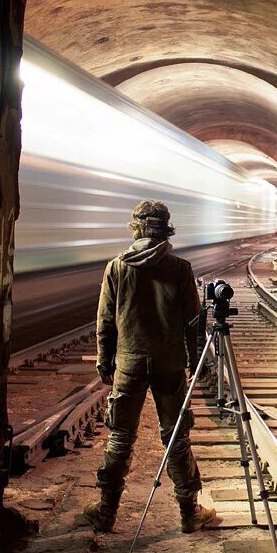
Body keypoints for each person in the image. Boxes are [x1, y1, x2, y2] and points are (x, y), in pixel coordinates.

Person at [82, 200, 217, 534]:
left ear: (136, 228)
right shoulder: (180, 269)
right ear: (166, 230)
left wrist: (104, 359)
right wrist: (195, 360)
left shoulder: (116, 268)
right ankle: (189, 512)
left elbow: (105, 320)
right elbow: (193, 324)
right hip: (169, 364)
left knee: (121, 437)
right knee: (176, 437)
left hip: (128, 363)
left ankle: (106, 512)